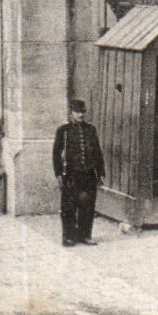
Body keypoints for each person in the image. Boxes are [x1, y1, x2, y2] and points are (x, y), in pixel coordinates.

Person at [52, 98, 105, 247]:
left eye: (82, 111)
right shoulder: (63, 131)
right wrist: (58, 174)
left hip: (88, 174)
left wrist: (100, 172)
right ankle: (69, 236)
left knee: (88, 205)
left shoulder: (91, 130)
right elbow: (57, 153)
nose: (80, 115)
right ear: (71, 113)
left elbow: (97, 152)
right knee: (69, 206)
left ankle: (85, 235)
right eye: (77, 112)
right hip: (71, 174)